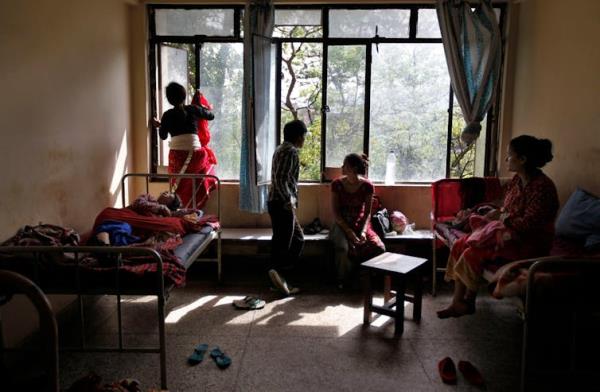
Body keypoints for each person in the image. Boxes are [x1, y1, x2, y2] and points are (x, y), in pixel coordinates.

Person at [437, 135, 559, 318]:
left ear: (523, 159)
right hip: (509, 235)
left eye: (509, 155)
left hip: (528, 243)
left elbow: (528, 225)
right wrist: (494, 213)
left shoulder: (542, 188)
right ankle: (458, 302)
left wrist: (502, 216)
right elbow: (507, 209)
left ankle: (468, 301)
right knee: (461, 244)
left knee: (472, 252)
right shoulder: (517, 181)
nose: (506, 159)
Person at [152, 82, 216, 209]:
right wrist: (201, 107)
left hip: (178, 159)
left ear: (169, 99)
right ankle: (194, 209)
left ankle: (180, 209)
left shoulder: (167, 115)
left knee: (179, 186)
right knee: (200, 175)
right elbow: (211, 116)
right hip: (197, 157)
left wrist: (160, 126)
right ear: (184, 95)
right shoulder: (192, 109)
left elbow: (163, 136)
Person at [329, 153, 386, 287]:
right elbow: (336, 213)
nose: (342, 167)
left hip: (361, 224)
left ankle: (366, 277)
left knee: (379, 248)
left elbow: (367, 213)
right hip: (341, 224)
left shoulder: (367, 186)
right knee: (343, 247)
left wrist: (363, 232)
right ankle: (343, 280)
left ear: (353, 169)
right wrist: (349, 232)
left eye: (345, 165)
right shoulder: (336, 184)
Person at [267, 120, 308, 296]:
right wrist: (287, 201)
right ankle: (279, 279)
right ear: (299, 136)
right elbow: (281, 178)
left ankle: (279, 277)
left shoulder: (280, 148)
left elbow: (281, 178)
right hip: (281, 203)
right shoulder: (290, 151)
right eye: (304, 136)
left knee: (297, 239)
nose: (304, 140)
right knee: (283, 243)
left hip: (278, 202)